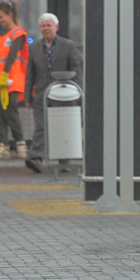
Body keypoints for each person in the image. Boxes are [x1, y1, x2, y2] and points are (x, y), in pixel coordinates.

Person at [25, 12, 84, 172]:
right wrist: (27, 96)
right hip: (42, 95)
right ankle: (35, 157)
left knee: (63, 126)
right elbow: (30, 73)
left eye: (49, 25)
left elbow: (77, 69)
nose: (46, 28)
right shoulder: (34, 48)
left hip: (64, 93)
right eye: (43, 26)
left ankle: (64, 160)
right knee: (41, 126)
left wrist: (77, 90)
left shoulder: (68, 46)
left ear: (56, 27)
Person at [0, 1, 28, 158]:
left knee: (11, 111)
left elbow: (12, 56)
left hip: (10, 78)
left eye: (1, 17)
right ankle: (3, 145)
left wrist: (5, 73)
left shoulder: (18, 33)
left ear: (10, 15)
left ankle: (20, 144)